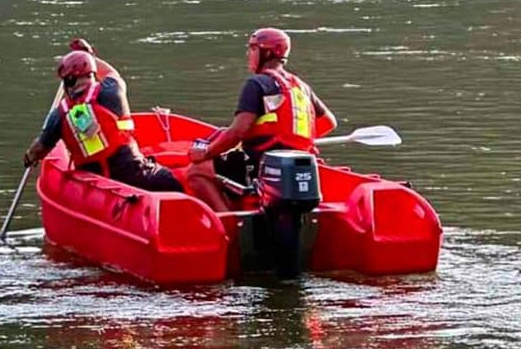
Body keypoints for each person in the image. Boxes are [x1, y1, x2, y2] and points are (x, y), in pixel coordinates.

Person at [186, 27, 337, 211]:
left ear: (267, 53)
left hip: (261, 162)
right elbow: (329, 123)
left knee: (197, 171)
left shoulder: (256, 84)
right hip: (300, 159)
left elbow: (238, 131)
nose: (249, 54)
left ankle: (229, 224)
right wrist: (294, 140)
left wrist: (206, 152)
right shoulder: (301, 87)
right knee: (230, 165)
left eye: (253, 48)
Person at [23, 38, 184, 193]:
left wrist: (29, 158)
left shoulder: (58, 115)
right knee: (177, 183)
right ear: (92, 74)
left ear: (68, 81)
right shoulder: (112, 90)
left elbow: (39, 149)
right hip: (133, 173)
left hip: (94, 183)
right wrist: (91, 57)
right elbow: (111, 72)